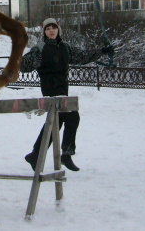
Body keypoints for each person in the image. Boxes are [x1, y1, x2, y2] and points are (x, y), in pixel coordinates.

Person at [20, 17, 113, 172]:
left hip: (63, 90)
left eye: (54, 28)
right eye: (48, 28)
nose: (51, 31)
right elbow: (24, 66)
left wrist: (102, 51)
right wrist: (29, 56)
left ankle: (36, 154)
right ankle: (66, 154)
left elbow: (83, 56)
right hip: (50, 91)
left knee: (55, 123)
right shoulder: (40, 48)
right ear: (44, 32)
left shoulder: (65, 47)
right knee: (72, 116)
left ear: (58, 30)